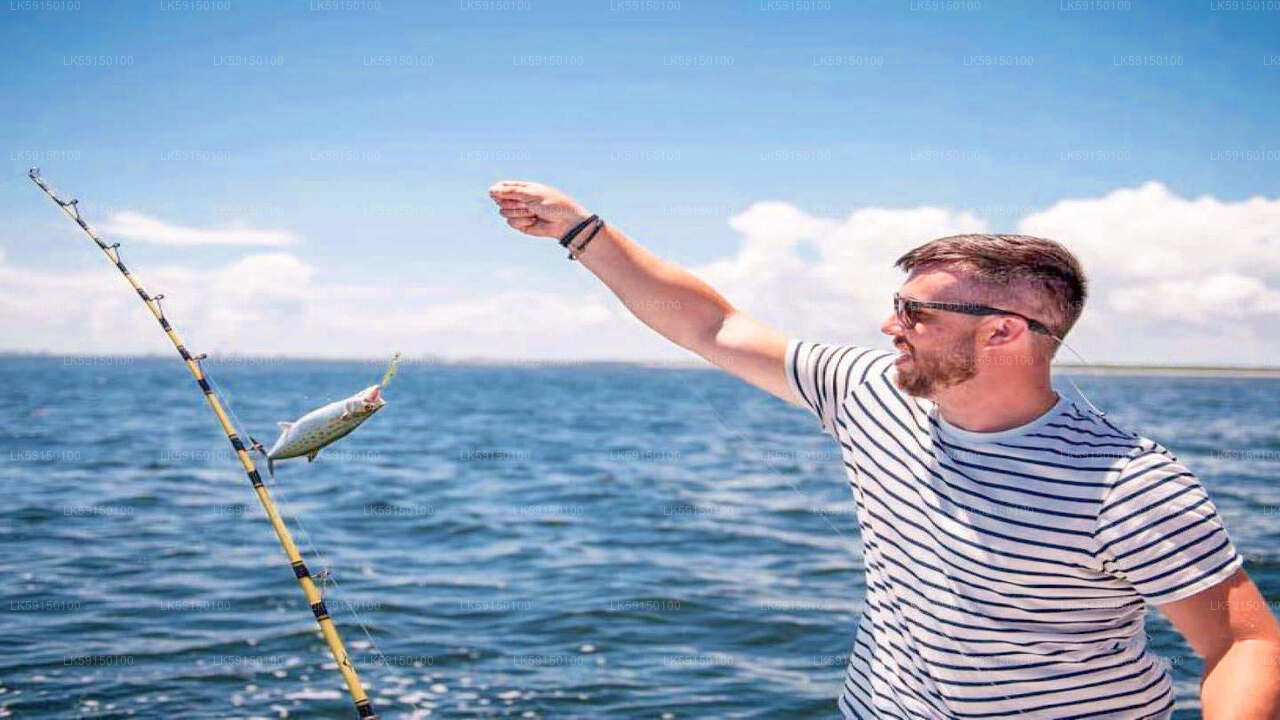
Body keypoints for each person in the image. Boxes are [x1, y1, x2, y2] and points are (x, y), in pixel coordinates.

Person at [488, 180, 1280, 719]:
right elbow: (714, 325)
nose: (887, 325)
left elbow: (1243, 643)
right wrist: (578, 230)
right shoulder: (871, 392)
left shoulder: (1129, 486)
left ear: (1005, 332)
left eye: (914, 313)